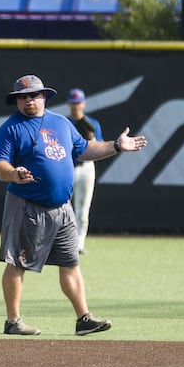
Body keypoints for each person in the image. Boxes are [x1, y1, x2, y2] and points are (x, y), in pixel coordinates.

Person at [0, 75, 147, 336]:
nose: (28, 100)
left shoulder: (60, 123)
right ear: (17, 100)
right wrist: (13, 173)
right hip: (28, 205)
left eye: (33, 95)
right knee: (17, 263)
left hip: (62, 209)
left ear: (44, 97)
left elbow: (85, 149)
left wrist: (116, 146)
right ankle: (13, 321)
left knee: (71, 262)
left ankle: (83, 318)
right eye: (22, 96)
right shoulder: (11, 128)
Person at [66, 88, 104, 254]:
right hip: (68, 167)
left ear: (84, 103)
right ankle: (64, 242)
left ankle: (79, 245)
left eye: (78, 102)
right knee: (63, 208)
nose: (76, 106)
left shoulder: (92, 123)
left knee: (82, 210)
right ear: (69, 104)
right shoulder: (64, 123)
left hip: (86, 167)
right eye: (73, 103)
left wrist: (91, 136)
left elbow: (100, 146)